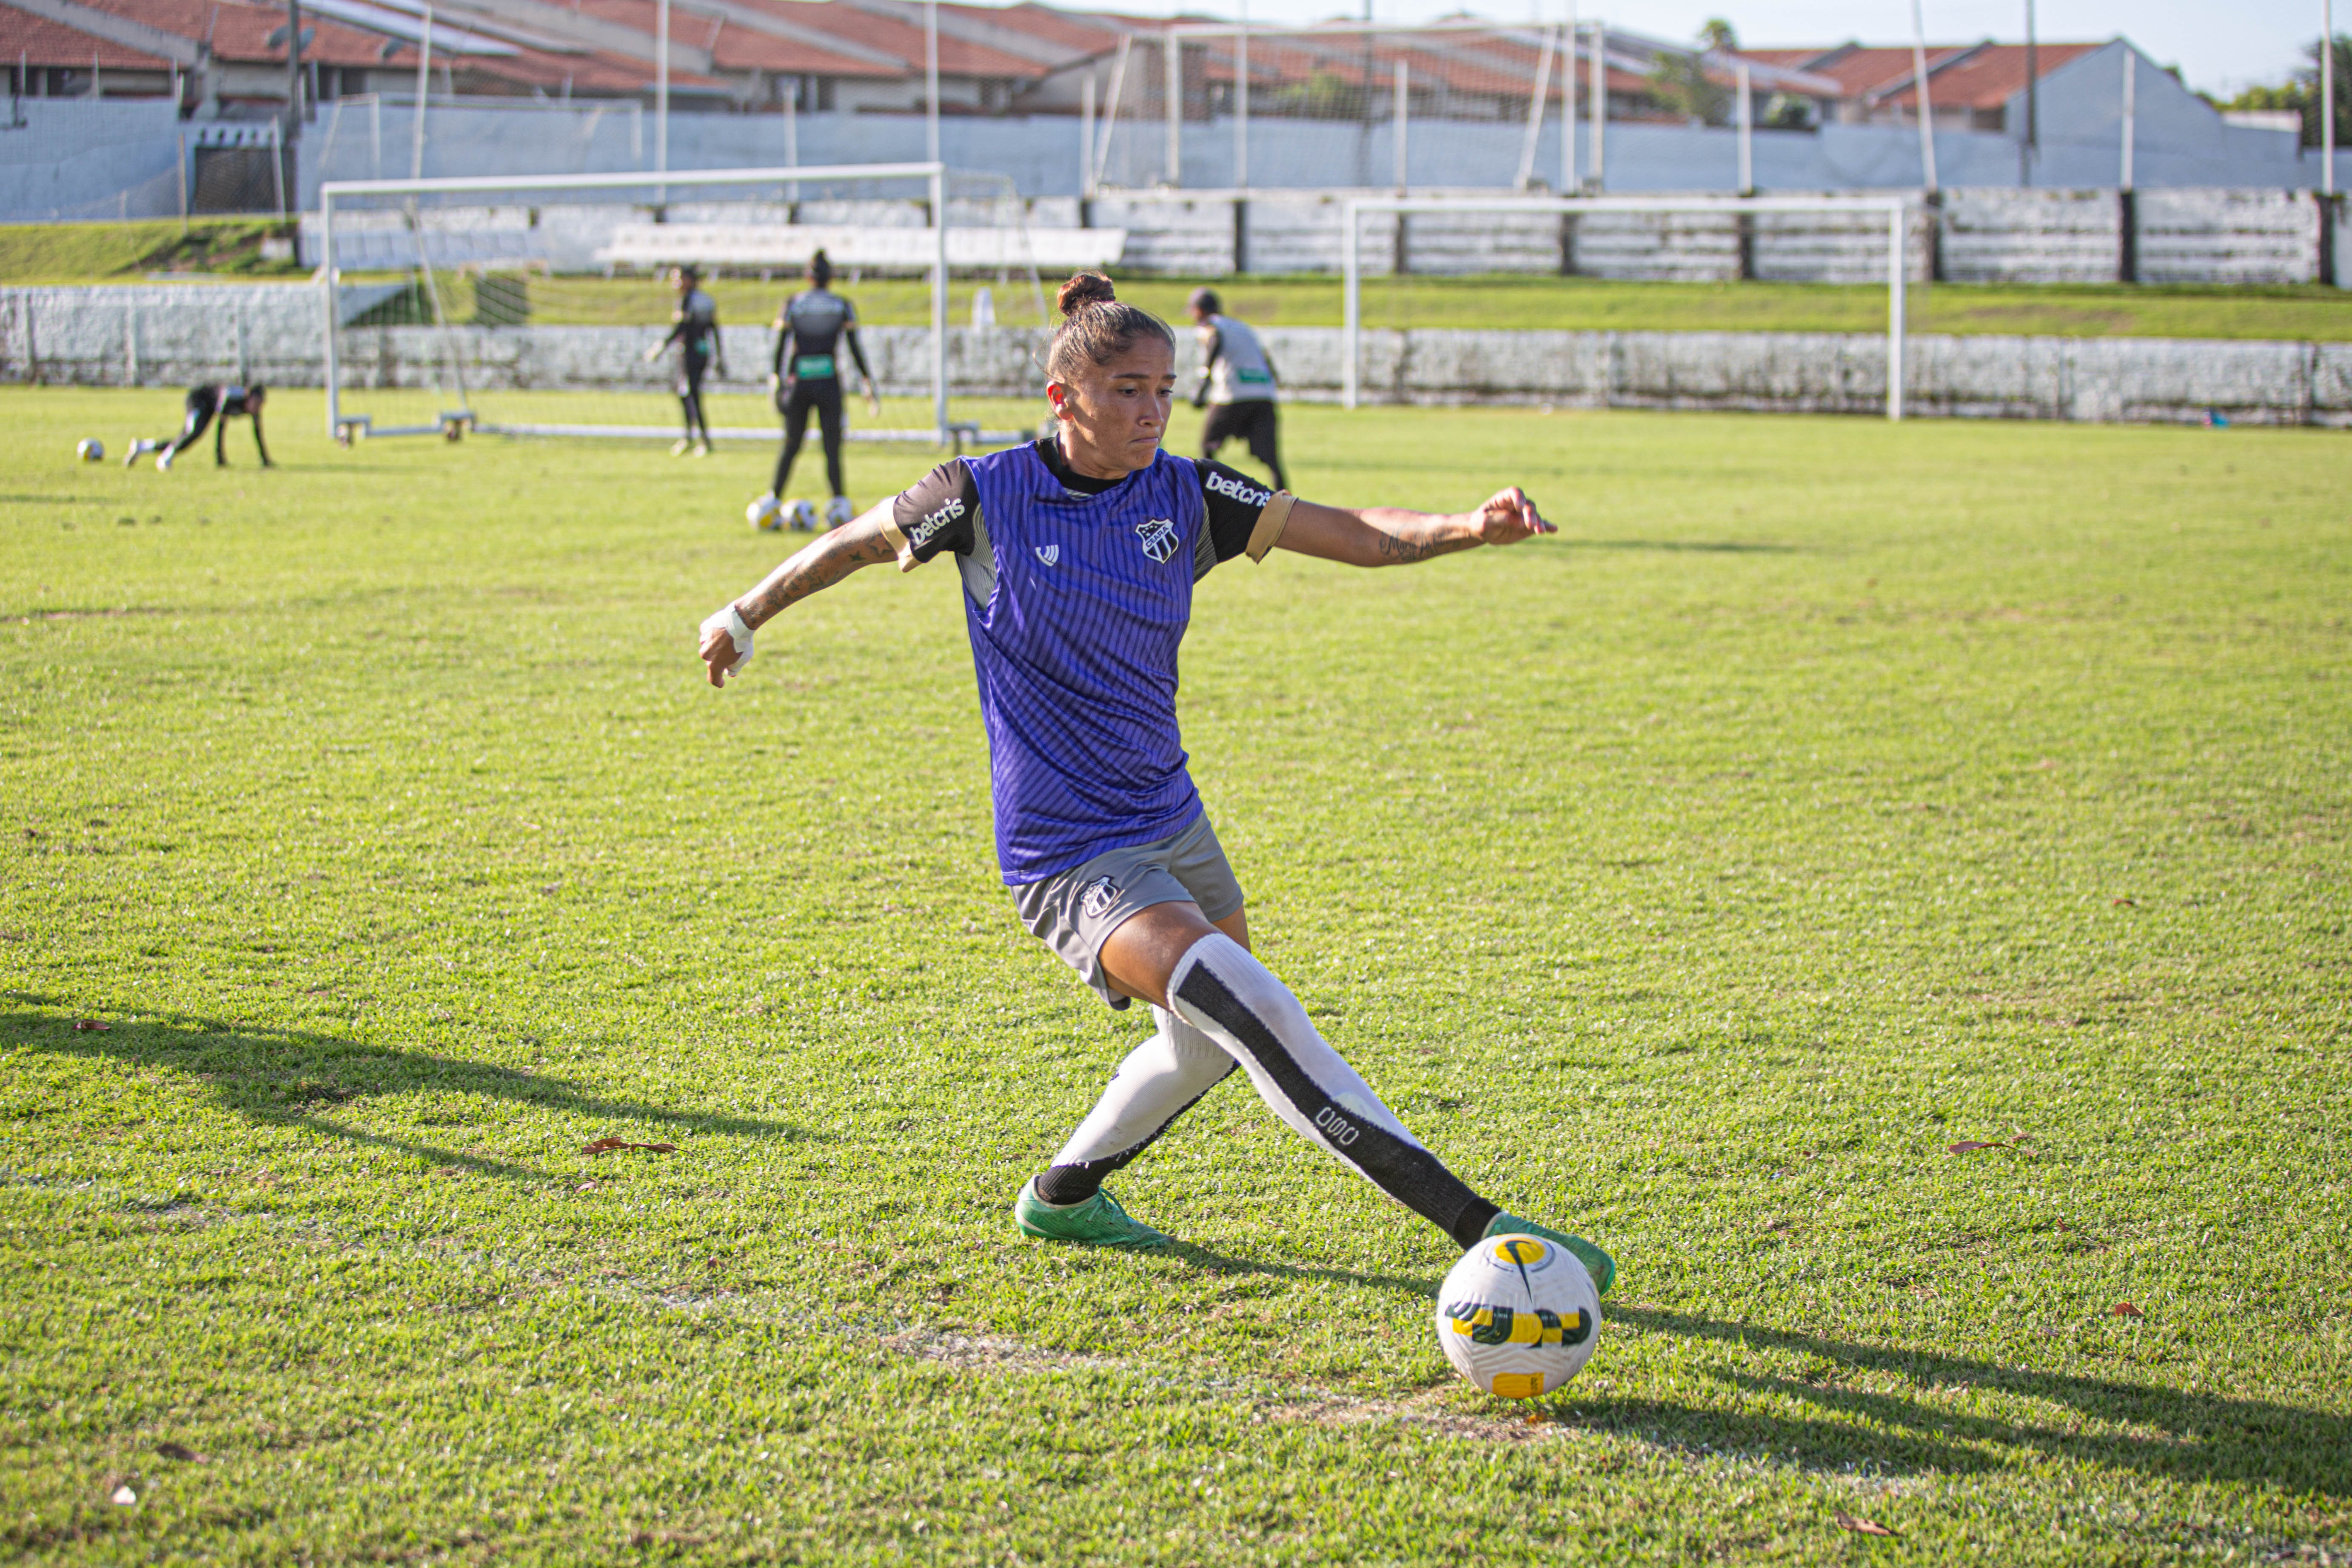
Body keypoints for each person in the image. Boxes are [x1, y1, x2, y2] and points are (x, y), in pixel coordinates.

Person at [696, 272, 1613, 1294]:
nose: (1150, 411)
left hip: (1171, 818)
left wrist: (1465, 526)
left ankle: (1063, 1196)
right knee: (1254, 1006)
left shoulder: (1186, 492)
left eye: (1164, 390)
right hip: (1068, 849)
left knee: (1207, 1044)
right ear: (1062, 396)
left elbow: (1348, 532)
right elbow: (850, 543)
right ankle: (1480, 1226)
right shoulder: (981, 493)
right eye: (1126, 388)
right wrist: (743, 613)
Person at [748, 249, 880, 533]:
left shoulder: (794, 304)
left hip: (800, 384)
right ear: (831, 277)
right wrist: (867, 380)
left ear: (808, 276)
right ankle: (839, 502)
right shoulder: (841, 305)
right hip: (829, 383)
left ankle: (773, 499)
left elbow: (781, 347)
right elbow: (855, 348)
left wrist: (776, 380)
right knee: (832, 446)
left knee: (791, 444)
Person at [1187, 286, 1285, 492]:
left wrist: (1203, 384)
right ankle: (1287, 502)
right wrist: (1273, 380)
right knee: (1273, 459)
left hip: (1231, 395)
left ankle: (1209, 495)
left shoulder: (1210, 326)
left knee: (1208, 446)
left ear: (1198, 311)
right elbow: (1264, 356)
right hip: (1263, 394)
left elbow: (1214, 340)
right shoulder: (1242, 327)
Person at [644, 265, 723, 457]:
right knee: (686, 393)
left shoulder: (688, 301)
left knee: (691, 393)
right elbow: (714, 330)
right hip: (702, 352)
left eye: (679, 278)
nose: (675, 283)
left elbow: (681, 329)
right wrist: (719, 355)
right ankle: (690, 437)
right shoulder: (706, 301)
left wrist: (661, 347)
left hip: (691, 353)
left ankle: (702, 440)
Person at [124, 383, 272, 472]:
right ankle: (165, 458)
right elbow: (221, 430)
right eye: (257, 402)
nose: (258, 407)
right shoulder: (232, 398)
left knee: (188, 441)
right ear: (249, 396)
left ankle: (142, 447)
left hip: (210, 408)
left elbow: (257, 434)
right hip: (198, 400)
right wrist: (220, 458)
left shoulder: (254, 410)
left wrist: (265, 460)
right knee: (192, 433)